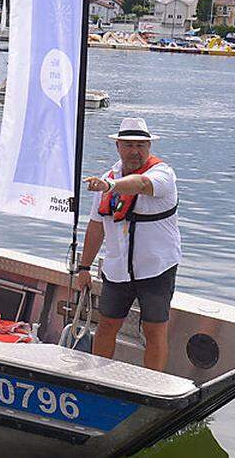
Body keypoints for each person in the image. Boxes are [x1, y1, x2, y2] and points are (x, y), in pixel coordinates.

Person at [74, 117, 180, 372]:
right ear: (118, 146)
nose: (135, 151)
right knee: (107, 325)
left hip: (156, 267)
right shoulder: (106, 178)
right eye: (129, 145)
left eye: (141, 146)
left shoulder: (162, 174)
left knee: (154, 330)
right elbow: (96, 225)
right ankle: (98, 377)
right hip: (117, 268)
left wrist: (111, 186)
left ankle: (152, 384)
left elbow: (141, 185)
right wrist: (84, 268)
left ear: (149, 148)